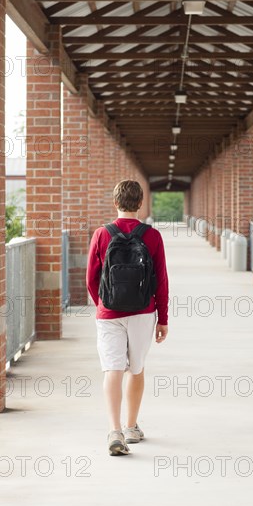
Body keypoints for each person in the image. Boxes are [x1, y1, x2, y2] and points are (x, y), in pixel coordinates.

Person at [86, 180, 169, 456]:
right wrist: (163, 318)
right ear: (141, 204)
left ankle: (114, 430)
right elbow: (161, 281)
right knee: (136, 368)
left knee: (112, 369)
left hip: (109, 314)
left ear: (115, 203)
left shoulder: (101, 233)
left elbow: (91, 278)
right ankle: (132, 426)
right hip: (143, 312)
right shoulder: (153, 236)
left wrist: (104, 305)